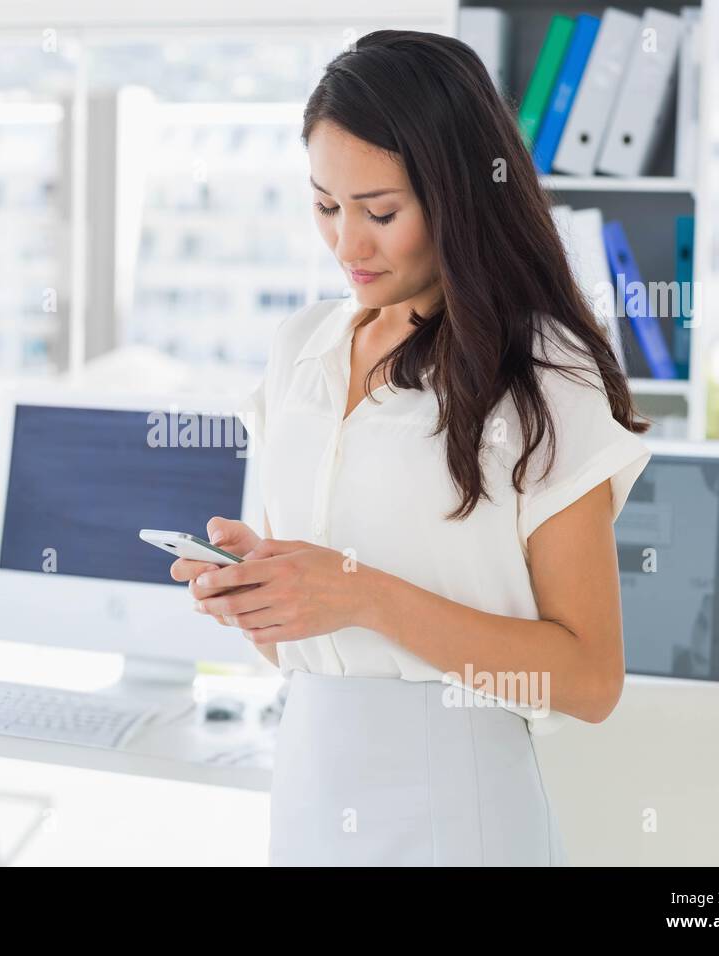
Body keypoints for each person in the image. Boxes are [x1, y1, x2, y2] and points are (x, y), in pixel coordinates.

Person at [170, 29, 653, 866]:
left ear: (460, 194)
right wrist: (268, 597)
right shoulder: (302, 350)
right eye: (326, 206)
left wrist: (362, 595)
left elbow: (588, 680)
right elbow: (311, 645)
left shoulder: (542, 377)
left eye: (381, 212)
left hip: (458, 814)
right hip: (310, 791)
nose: (348, 245)